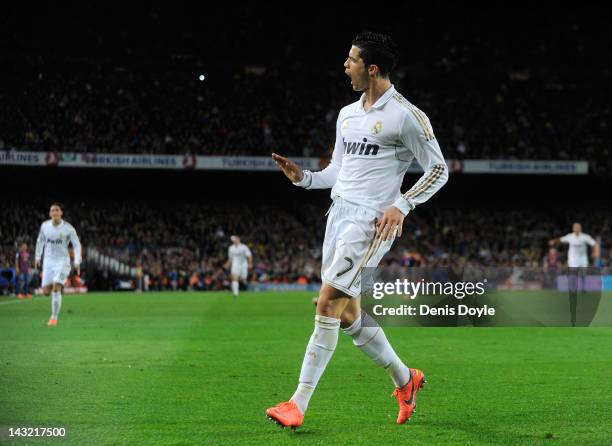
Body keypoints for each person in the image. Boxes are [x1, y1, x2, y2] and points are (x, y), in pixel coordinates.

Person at [266, 31, 448, 428]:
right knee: (349, 314)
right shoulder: (347, 114)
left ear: (372, 68)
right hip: (338, 215)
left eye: (351, 60)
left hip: (370, 223)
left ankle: (298, 403)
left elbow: (439, 169)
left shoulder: (406, 116)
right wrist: (304, 178)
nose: (344, 66)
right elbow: (338, 173)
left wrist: (401, 205)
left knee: (327, 303)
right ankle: (406, 379)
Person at [35, 203, 82, 326]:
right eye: (52, 210)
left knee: (56, 289)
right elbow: (40, 242)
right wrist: (37, 257)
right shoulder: (45, 226)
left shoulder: (68, 228)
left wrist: (77, 261)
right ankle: (61, 282)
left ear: (61, 213)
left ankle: (54, 318)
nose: (54, 212)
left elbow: (76, 245)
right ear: (50, 213)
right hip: (48, 263)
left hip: (62, 262)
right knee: (45, 292)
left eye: (57, 210)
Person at [549, 223, 600, 326]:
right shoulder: (570, 237)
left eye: (578, 227)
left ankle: (583, 286)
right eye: (575, 228)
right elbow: (561, 239)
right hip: (573, 258)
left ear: (580, 229)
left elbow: (595, 244)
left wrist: (595, 252)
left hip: (582, 258)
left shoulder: (585, 237)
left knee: (584, 273)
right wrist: (554, 241)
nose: (577, 229)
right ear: (573, 229)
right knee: (573, 272)